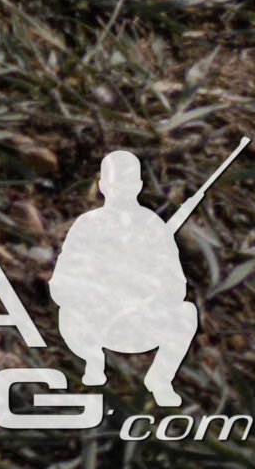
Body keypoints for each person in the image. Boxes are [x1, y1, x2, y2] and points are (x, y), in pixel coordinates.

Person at [48, 152, 199, 404]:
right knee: (67, 312)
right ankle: (93, 365)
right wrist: (100, 285)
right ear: (103, 186)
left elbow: (177, 286)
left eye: (128, 183)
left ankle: (160, 379)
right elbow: (60, 282)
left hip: (141, 321)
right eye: (115, 183)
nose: (121, 190)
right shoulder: (87, 224)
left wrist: (151, 287)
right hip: (96, 321)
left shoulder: (153, 226)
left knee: (186, 313)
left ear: (139, 186)